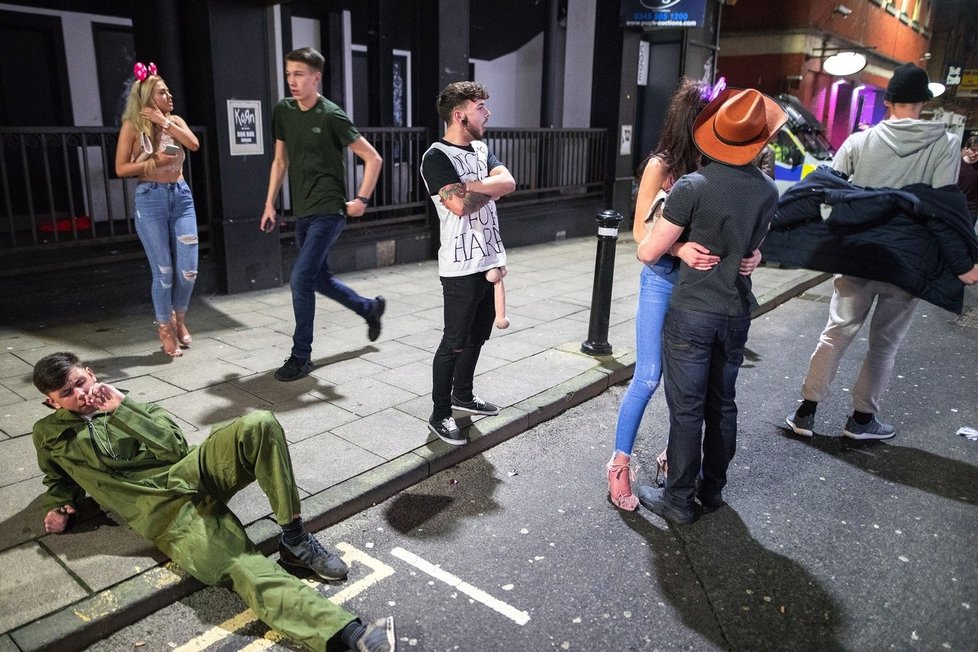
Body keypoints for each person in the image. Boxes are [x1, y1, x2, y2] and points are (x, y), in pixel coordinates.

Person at [31, 352, 395, 652]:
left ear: (91, 373)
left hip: (189, 470)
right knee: (240, 563)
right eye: (67, 392)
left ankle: (294, 536)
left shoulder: (127, 404)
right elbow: (58, 477)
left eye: (81, 382)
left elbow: (174, 447)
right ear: (52, 402)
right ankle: (348, 634)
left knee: (260, 423)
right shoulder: (49, 435)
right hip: (163, 511)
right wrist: (63, 505)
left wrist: (122, 410)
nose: (80, 393)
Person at [784, 63, 973, 441]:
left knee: (836, 332)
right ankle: (861, 420)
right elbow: (939, 206)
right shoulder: (947, 145)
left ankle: (805, 412)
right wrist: (962, 261)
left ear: (888, 102)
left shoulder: (859, 141)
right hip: (906, 261)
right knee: (884, 344)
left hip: (859, 252)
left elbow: (828, 189)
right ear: (924, 102)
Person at [633, 88, 787, 525]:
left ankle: (678, 499)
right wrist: (746, 257)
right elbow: (751, 251)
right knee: (723, 404)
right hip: (735, 313)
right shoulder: (768, 191)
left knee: (687, 409)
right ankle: (713, 490)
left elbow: (647, 251)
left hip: (693, 312)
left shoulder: (693, 186)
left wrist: (679, 248)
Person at [607, 78, 761, 511]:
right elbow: (639, 232)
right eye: (710, 115)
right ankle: (619, 464)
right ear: (692, 120)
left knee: (689, 389)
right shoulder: (662, 165)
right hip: (663, 279)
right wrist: (677, 247)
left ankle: (677, 462)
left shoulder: (721, 166)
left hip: (706, 293)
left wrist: (754, 255)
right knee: (649, 375)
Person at [261, 47, 386, 382]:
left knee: (301, 279)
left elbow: (373, 158)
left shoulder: (331, 115)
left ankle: (301, 356)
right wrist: (270, 203)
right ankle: (368, 308)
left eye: (299, 74)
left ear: (316, 77)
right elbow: (280, 161)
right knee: (318, 278)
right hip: (303, 211)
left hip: (330, 210)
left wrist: (362, 198)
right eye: (289, 74)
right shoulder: (283, 111)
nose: (292, 81)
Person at [420, 82, 516, 446]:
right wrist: (485, 187)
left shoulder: (480, 148)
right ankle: (440, 412)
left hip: (490, 259)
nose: (487, 113)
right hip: (460, 267)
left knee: (478, 337)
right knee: (455, 341)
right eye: (480, 107)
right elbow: (458, 206)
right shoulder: (436, 156)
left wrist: (474, 185)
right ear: (460, 114)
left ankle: (464, 394)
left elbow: (509, 181)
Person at [114, 62, 200, 358]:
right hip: (150, 198)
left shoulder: (174, 121)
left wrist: (164, 122)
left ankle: (180, 318)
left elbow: (193, 143)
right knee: (163, 271)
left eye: (169, 91)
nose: (170, 96)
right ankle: (164, 327)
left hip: (181, 196)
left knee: (188, 270)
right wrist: (155, 162)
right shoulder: (133, 127)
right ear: (149, 97)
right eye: (163, 93)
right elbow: (121, 168)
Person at [957, 135, 978, 225]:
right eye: (973, 149)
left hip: (972, 208)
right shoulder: (957, 164)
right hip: (957, 204)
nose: (976, 153)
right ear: (966, 149)